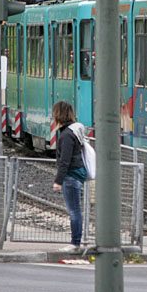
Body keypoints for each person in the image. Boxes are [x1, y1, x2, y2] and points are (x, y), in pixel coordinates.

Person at [51, 101, 87, 253]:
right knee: (76, 210)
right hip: (77, 175)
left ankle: (75, 243)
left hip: (71, 177)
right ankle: (76, 241)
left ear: (58, 114)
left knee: (74, 211)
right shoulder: (75, 131)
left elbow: (65, 161)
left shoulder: (66, 135)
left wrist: (58, 181)